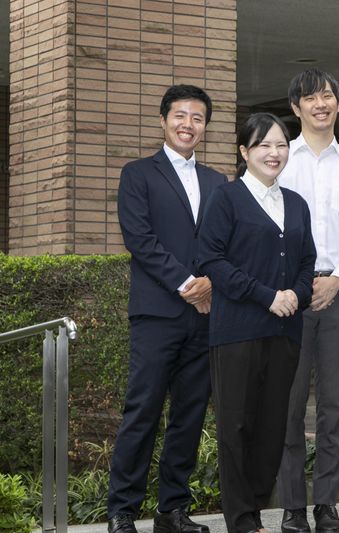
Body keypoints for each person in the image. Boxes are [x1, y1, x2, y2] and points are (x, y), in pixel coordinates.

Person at [110, 85, 227, 533]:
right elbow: (139, 239)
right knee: (142, 410)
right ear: (163, 120)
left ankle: (171, 510)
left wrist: (211, 283)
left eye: (197, 118)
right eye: (180, 115)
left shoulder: (218, 182)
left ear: (205, 126)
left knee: (189, 414)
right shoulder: (138, 174)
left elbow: (225, 244)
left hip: (205, 315)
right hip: (158, 314)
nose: (188, 125)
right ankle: (122, 511)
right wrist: (186, 284)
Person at [198, 113, 316, 533]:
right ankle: (242, 519)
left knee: (271, 426)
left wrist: (297, 294)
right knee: (236, 425)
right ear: (244, 151)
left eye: (281, 144)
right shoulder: (226, 199)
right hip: (237, 331)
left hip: (285, 331)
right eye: (263, 145)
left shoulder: (296, 203)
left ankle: (256, 509)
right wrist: (267, 296)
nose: (274, 152)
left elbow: (307, 261)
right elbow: (211, 259)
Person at [277, 68, 339, 533]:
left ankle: (327, 505)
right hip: (288, 301)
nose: (321, 104)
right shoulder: (277, 159)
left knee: (334, 408)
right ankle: (293, 507)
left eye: (329, 96)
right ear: (296, 107)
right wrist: (297, 286)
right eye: (311, 97)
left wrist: (337, 278)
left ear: (338, 103)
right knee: (288, 406)